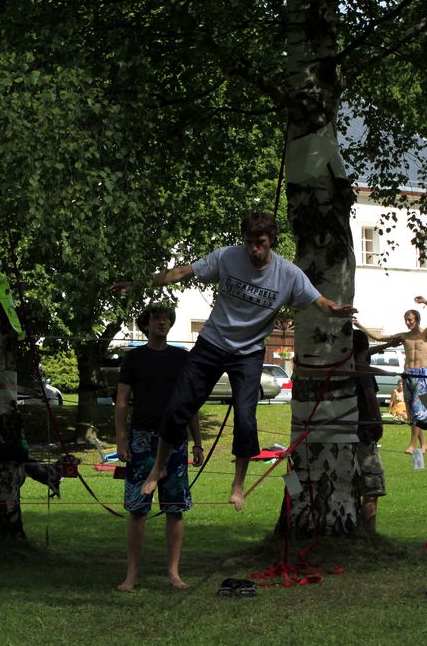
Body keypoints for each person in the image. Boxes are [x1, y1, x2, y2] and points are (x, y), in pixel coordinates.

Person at [114, 211, 357, 510]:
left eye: (260, 243)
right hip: (212, 343)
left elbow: (319, 301)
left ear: (272, 242)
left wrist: (334, 310)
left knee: (245, 419)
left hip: (249, 352)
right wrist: (138, 284)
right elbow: (181, 272)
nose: (254, 249)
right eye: (249, 242)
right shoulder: (227, 257)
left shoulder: (288, 274)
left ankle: (238, 485)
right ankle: (158, 467)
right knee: (178, 406)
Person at [115, 303, 203, 591]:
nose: (161, 322)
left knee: (175, 508)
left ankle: (174, 573)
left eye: (166, 319)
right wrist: (121, 438)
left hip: (175, 439)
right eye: (155, 318)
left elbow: (190, 404)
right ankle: (132, 574)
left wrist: (198, 443)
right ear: (145, 325)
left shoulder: (182, 358)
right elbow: (122, 401)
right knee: (137, 508)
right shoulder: (133, 358)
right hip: (141, 438)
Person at [355, 296, 427, 454]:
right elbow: (379, 337)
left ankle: (412, 446)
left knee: (418, 412)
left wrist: (426, 302)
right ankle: (424, 445)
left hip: (421, 375)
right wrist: (360, 325)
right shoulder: (404, 336)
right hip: (407, 374)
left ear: (417, 319)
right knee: (411, 413)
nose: (407, 323)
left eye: (409, 320)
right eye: (405, 320)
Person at [352, 330, 391, 533]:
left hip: (344, 435)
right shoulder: (362, 369)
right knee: (371, 486)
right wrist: (378, 424)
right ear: (363, 350)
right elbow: (370, 398)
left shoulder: (340, 367)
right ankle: (370, 533)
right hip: (362, 435)